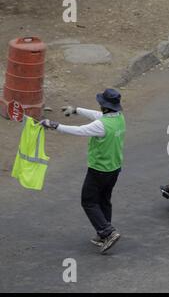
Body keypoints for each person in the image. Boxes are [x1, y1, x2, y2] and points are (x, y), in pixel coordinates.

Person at [40, 88, 126, 253]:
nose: (100, 106)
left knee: (88, 201)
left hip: (99, 169)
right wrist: (76, 110)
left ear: (105, 106)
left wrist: (54, 125)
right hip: (114, 168)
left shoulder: (101, 126)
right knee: (104, 200)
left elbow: (79, 131)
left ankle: (108, 233)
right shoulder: (119, 118)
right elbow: (96, 115)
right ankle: (103, 233)